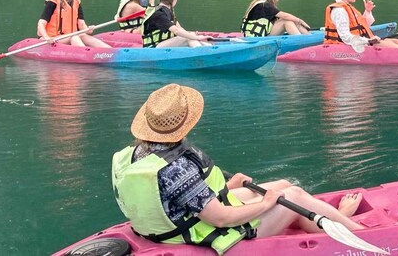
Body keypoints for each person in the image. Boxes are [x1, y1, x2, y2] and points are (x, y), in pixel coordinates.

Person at [112, 84, 364, 253]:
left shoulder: (132, 154)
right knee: (293, 196)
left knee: (283, 184)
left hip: (171, 223)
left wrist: (227, 187)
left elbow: (173, 196)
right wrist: (267, 205)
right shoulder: (177, 167)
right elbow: (219, 218)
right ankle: (361, 233)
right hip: (199, 233)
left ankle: (335, 221)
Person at [37, 0, 111, 48]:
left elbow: (81, 24)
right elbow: (41, 23)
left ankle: (109, 50)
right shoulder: (53, 2)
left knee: (83, 36)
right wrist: (47, 38)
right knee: (74, 37)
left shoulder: (77, 2)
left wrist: (88, 30)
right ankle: (86, 54)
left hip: (69, 36)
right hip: (53, 37)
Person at [141, 0, 212, 48]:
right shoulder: (158, 14)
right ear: (173, 0)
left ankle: (210, 48)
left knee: (191, 35)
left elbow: (180, 28)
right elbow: (176, 31)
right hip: (153, 47)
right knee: (188, 37)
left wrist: (198, 37)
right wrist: (196, 37)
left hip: (163, 43)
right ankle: (201, 53)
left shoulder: (168, 12)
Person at [241, 0, 311, 37]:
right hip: (255, 38)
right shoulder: (264, 5)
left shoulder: (264, 4)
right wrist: (300, 21)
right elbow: (285, 16)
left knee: (290, 20)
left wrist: (297, 21)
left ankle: (309, 36)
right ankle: (301, 41)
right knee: (287, 21)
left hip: (263, 34)